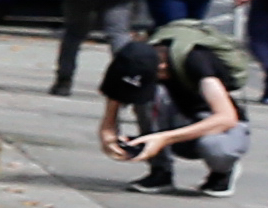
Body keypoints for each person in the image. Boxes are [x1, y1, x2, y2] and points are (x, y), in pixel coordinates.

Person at [99, 19, 258, 194]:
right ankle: (160, 172)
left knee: (216, 148)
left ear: (163, 65)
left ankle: (222, 173)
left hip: (213, 121)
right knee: (149, 97)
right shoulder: (134, 58)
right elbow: (115, 98)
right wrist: (108, 134)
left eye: (160, 74)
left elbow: (226, 118)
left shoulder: (196, 60)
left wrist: (163, 138)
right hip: (178, 118)